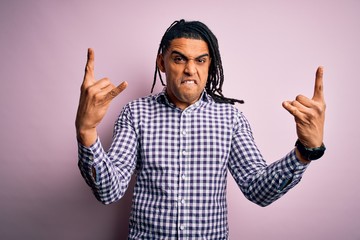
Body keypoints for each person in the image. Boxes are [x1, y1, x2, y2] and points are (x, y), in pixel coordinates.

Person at [76, 19, 326, 239]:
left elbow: (258, 189)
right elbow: (109, 191)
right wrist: (87, 131)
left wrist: (305, 151)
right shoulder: (135, 114)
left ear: (210, 66)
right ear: (162, 63)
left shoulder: (231, 119)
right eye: (179, 58)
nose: (190, 70)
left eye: (200, 60)